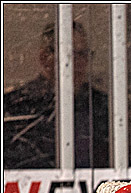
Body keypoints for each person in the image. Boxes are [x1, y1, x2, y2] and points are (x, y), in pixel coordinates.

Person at [3, 21, 109, 169]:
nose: (80, 62)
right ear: (45, 57)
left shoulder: (101, 105)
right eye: (71, 55)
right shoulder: (16, 106)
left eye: (84, 54)